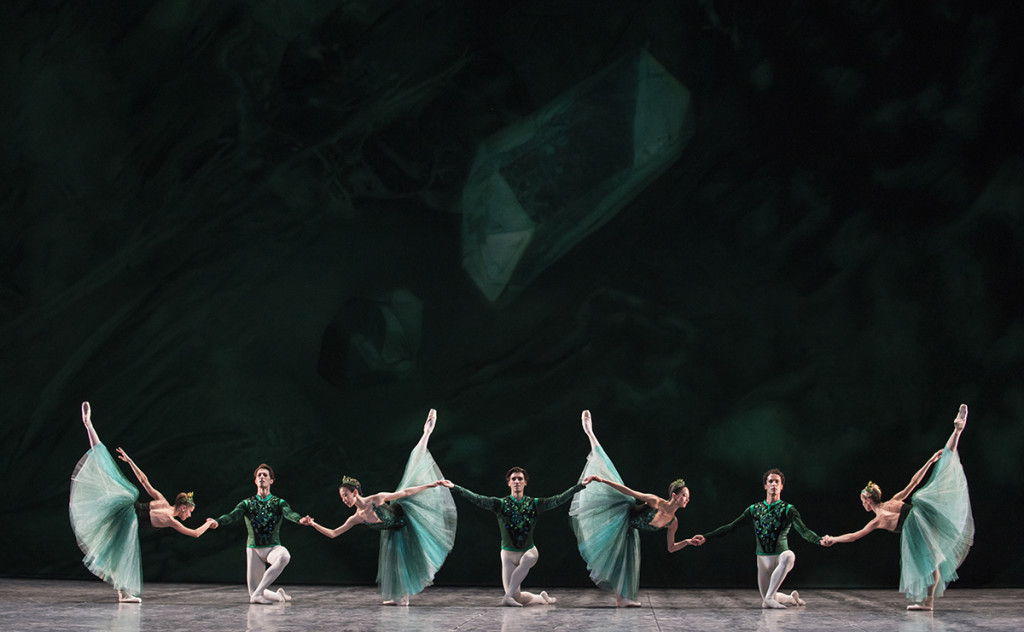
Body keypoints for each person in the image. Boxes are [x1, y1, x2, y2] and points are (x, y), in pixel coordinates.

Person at [821, 404, 974, 611]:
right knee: (942, 471)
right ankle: (956, 430)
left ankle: (928, 602)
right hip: (925, 516)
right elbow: (914, 482)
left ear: (867, 501)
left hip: (917, 525)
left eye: (862, 500)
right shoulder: (893, 501)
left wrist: (833, 539)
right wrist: (929, 462)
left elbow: (854, 536)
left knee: (930, 562)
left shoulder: (878, 519)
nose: (862, 504)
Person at [302, 409, 457, 605]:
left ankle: (426, 431)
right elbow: (334, 533)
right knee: (394, 564)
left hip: (407, 520)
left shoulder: (376, 499)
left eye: (345, 496)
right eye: (341, 498)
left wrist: (430, 485)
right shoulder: (356, 517)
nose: (344, 500)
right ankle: (402, 597)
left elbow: (405, 493)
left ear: (355, 493)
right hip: (393, 533)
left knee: (415, 463)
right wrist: (313, 524)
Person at [69, 402, 214, 602]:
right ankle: (123, 594)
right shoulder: (171, 519)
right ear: (182, 507)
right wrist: (209, 522)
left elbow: (144, 481)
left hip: (125, 509)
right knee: (123, 556)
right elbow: (195, 534)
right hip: (128, 518)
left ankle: (89, 426)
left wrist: (130, 461)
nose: (189, 515)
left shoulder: (162, 500)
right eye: (189, 511)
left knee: (107, 470)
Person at [570, 410, 701, 607]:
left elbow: (671, 548)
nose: (687, 500)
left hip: (631, 531)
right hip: (621, 515)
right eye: (684, 496)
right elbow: (629, 491)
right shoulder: (655, 501)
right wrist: (601, 479)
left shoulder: (673, 522)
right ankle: (590, 432)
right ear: (674, 495)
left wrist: (688, 542)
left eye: (688, 498)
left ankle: (622, 599)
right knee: (607, 469)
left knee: (628, 562)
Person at [441, 466, 593, 606]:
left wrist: (580, 486)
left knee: (529, 559)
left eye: (520, 478)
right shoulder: (500, 504)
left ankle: (507, 596)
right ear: (508, 483)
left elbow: (558, 499)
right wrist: (455, 487)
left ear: (525, 482)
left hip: (528, 550)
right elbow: (477, 499)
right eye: (513, 479)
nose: (517, 481)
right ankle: (541, 598)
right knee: (518, 598)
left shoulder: (534, 504)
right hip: (507, 554)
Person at [693, 468, 822, 609]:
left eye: (777, 482)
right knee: (769, 599)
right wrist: (706, 537)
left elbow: (804, 531)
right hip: (762, 559)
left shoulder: (788, 509)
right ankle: (791, 598)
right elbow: (732, 526)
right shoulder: (754, 509)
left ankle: (769, 598)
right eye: (770, 481)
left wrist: (819, 540)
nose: (773, 484)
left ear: (781, 486)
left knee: (789, 556)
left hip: (780, 557)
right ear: (765, 486)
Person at [209, 463, 305, 604]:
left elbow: (289, 513)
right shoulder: (247, 503)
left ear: (271, 480)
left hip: (272, 548)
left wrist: (300, 519)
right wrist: (218, 521)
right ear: (255, 481)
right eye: (259, 475)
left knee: (284, 556)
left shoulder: (279, 502)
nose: (261, 477)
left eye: (265, 475)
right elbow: (232, 515)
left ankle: (259, 594)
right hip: (253, 550)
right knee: (253, 592)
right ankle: (278, 595)